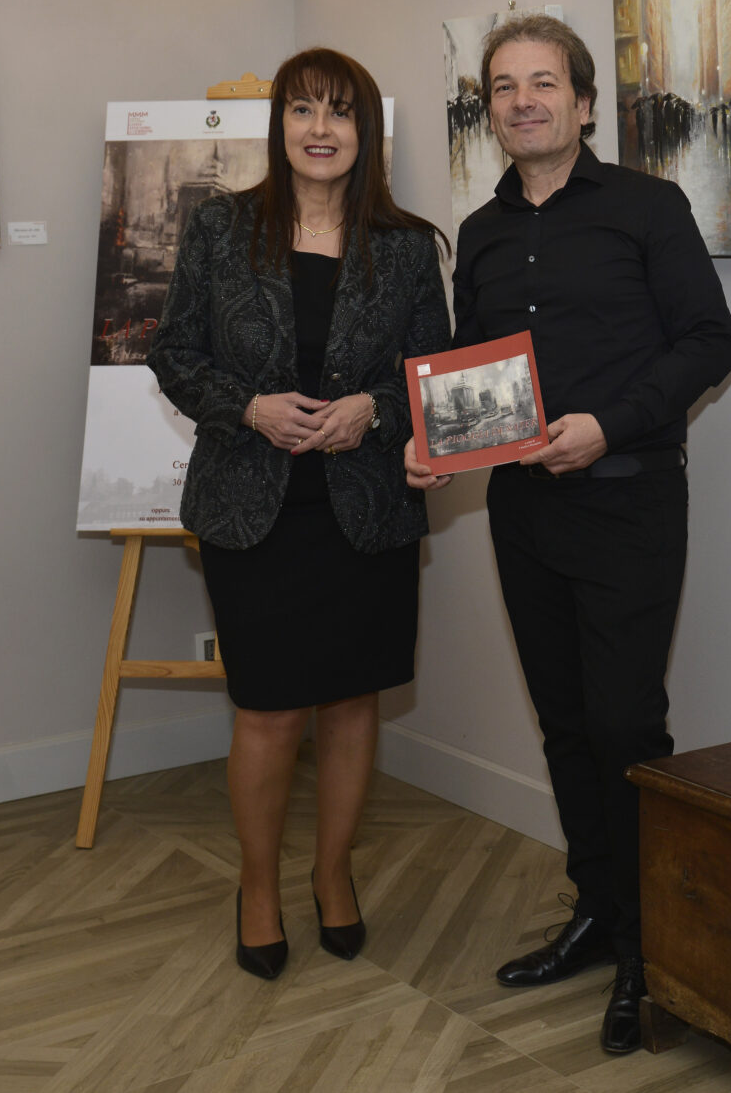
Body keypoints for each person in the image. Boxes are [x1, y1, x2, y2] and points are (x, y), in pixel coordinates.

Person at [406, 14, 731, 1054]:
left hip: (631, 499)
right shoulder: (485, 231)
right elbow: (471, 371)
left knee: (624, 724)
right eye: (502, 87)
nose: (522, 101)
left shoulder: (649, 207)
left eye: (541, 82)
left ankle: (651, 952)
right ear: (491, 111)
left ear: (584, 103)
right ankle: (596, 911)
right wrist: (435, 445)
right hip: (523, 511)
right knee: (560, 721)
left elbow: (708, 341)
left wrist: (608, 424)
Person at [149, 47, 450, 981]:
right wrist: (249, 406)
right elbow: (174, 354)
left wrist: (374, 412)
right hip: (252, 507)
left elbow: (430, 381)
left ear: (367, 131)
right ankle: (256, 886)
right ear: (279, 126)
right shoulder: (220, 229)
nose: (321, 130)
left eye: (341, 112)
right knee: (271, 712)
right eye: (303, 111)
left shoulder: (405, 246)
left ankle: (332, 875)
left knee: (354, 704)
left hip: (365, 508)